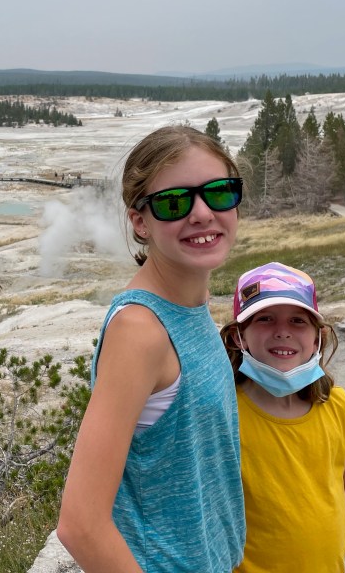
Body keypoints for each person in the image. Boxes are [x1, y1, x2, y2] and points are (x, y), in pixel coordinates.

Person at [57, 124, 246, 573]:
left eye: (219, 193)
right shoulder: (140, 330)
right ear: (140, 222)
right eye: (174, 202)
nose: (202, 213)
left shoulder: (192, 301)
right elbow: (80, 524)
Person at [220, 262, 345, 573]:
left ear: (317, 338)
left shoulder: (338, 406)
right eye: (265, 318)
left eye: (298, 320)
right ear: (239, 337)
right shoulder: (222, 413)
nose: (283, 331)